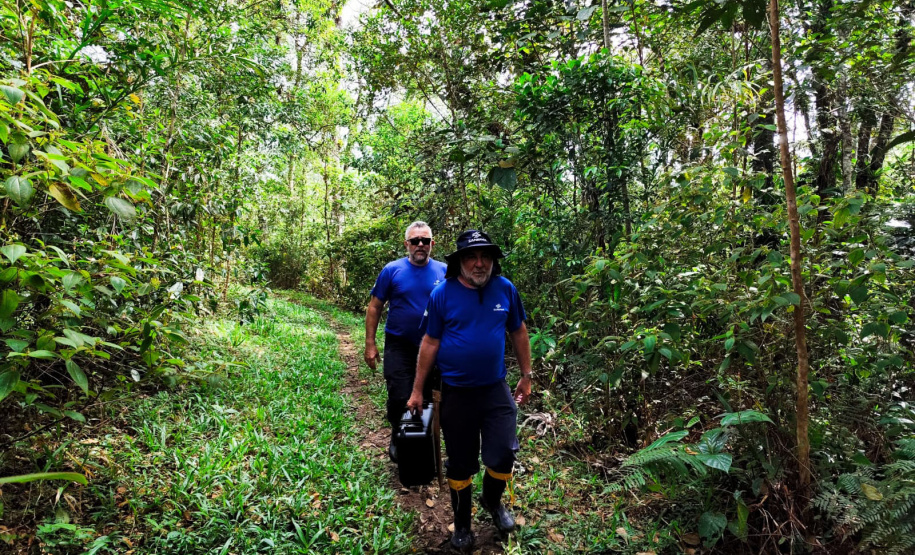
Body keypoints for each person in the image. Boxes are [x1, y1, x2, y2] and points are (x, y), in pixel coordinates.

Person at [406, 230, 532, 550]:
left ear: (493, 261)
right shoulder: (442, 294)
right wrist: (418, 390)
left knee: (503, 453)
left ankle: (492, 501)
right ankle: (462, 524)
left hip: (495, 389)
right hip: (456, 392)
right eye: (471, 257)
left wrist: (527, 375)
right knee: (460, 462)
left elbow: (518, 330)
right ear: (459, 262)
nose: (479, 263)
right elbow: (430, 342)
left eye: (485, 256)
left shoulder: (505, 289)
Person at [365, 221, 447, 462]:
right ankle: (397, 434)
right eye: (415, 240)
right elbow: (375, 307)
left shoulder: (445, 271)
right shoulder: (392, 270)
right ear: (406, 244)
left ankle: (418, 449)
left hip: (433, 347)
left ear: (432, 244)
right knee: (400, 396)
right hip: (399, 344)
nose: (420, 244)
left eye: (425, 240)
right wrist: (370, 343)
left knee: (428, 398)